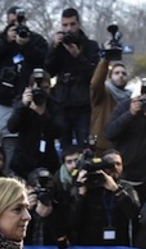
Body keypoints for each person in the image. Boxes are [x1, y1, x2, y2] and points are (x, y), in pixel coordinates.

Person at [0, 6, 48, 146]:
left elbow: (45, 61)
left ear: (26, 20)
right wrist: (6, 41)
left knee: (29, 138)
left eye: (20, 21)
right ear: (7, 21)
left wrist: (26, 45)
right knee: (4, 137)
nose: (17, 25)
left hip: (29, 102)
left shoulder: (36, 40)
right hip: (4, 102)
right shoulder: (0, 38)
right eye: (12, 22)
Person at [45, 7, 100, 148]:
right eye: (65, 25)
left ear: (79, 24)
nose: (69, 29)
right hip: (62, 102)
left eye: (72, 24)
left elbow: (95, 75)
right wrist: (53, 48)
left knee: (85, 145)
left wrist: (78, 56)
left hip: (83, 103)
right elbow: (48, 72)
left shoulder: (90, 46)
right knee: (65, 147)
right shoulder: (58, 46)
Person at [7, 69, 63, 179]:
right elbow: (11, 127)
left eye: (45, 88)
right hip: (23, 160)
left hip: (47, 160)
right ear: (30, 88)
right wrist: (22, 106)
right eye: (38, 88)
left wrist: (43, 114)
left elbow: (59, 131)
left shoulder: (54, 104)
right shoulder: (21, 103)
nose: (41, 92)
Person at [89, 59, 130, 155]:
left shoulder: (130, 98)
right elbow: (95, 84)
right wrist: (105, 60)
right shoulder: (103, 93)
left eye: (124, 74)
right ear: (110, 77)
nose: (121, 75)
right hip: (102, 146)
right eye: (117, 73)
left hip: (121, 148)